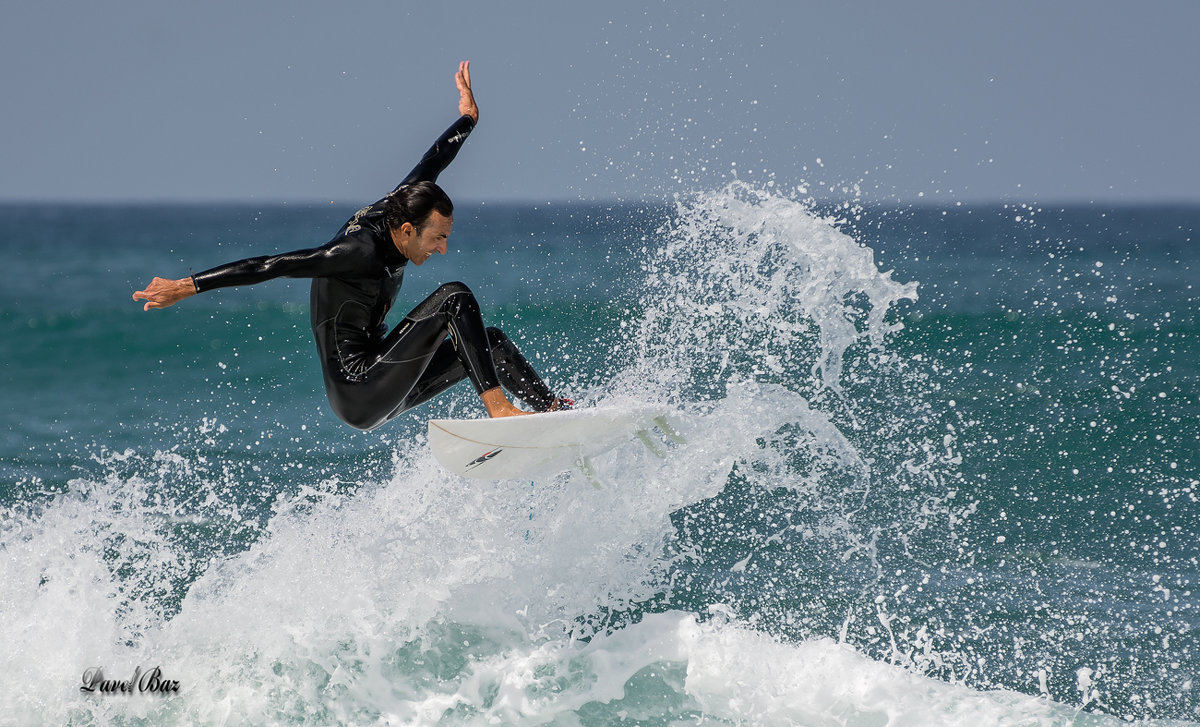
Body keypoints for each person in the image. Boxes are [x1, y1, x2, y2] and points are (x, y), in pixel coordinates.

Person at [133, 61, 570, 430]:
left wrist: (468, 120)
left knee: (486, 342)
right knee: (455, 298)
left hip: (386, 373)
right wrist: (184, 286)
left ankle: (555, 413)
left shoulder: (401, 206)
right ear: (404, 231)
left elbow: (431, 163)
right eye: (437, 239)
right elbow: (272, 265)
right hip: (359, 389)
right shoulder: (357, 253)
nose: (441, 249)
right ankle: (499, 410)